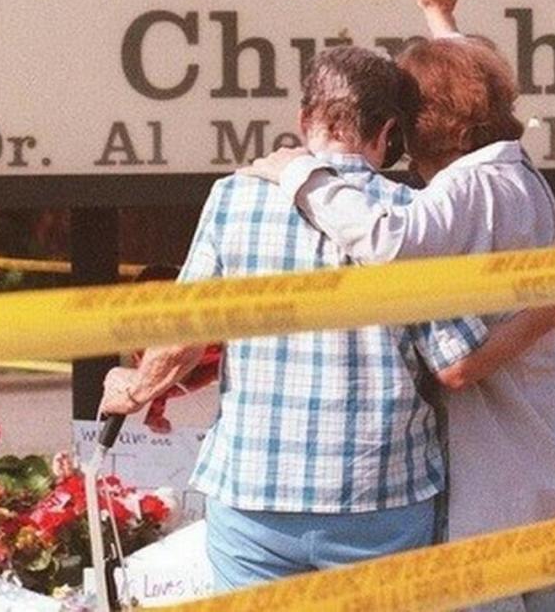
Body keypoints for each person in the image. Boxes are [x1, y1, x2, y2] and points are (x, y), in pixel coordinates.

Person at [245, 0, 555, 612]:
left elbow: (385, 237)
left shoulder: (466, 190)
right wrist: (441, 18)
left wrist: (299, 171)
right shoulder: (521, 177)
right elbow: (477, 99)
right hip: (548, 474)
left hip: (492, 494)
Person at [99, 45, 498, 591]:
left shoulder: (233, 198)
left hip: (253, 494)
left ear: (305, 119)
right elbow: (456, 358)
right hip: (379, 496)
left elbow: (181, 338)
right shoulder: (410, 215)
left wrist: (134, 389)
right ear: (386, 133)